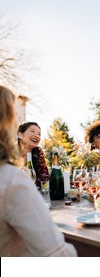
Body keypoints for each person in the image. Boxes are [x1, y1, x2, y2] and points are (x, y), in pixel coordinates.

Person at [0, 85, 77, 256]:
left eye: (39, 133)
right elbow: (56, 254)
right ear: (14, 130)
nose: (37, 135)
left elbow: (45, 179)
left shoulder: (36, 155)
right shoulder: (11, 180)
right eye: (14, 116)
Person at [17, 121, 50, 188]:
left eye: (39, 134)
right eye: (32, 131)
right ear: (20, 135)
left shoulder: (37, 152)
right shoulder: (7, 151)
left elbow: (45, 179)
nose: (36, 136)